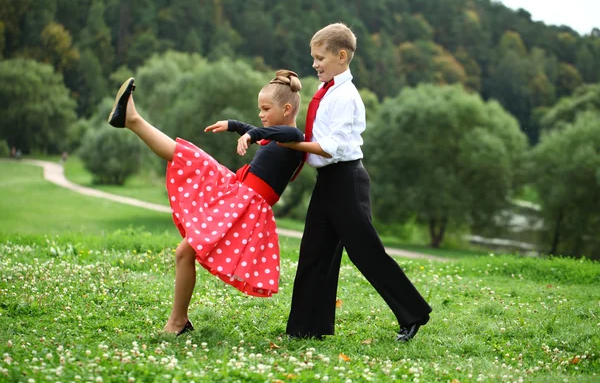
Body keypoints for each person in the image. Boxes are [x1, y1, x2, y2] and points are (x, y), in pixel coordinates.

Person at [107, 70, 304, 335]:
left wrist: (251, 135)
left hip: (244, 208)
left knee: (183, 252)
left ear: (287, 108)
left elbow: (272, 132)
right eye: (260, 109)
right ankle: (132, 119)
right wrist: (234, 125)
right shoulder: (276, 136)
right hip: (237, 192)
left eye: (265, 108)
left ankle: (178, 322)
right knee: (189, 157)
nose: (260, 113)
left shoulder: (295, 138)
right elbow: (263, 131)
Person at [280, 23, 432, 342]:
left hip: (347, 181)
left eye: (320, 58)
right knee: (314, 253)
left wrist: (291, 144)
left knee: (366, 253)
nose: (315, 64)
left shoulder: (346, 96)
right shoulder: (327, 92)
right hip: (327, 182)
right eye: (313, 58)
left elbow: (331, 147)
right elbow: (317, 130)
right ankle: (308, 328)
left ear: (342, 56)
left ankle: (414, 314)